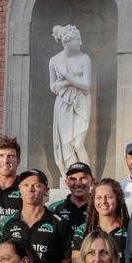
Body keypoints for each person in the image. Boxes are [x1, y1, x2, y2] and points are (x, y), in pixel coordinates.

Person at [0, 169, 74, 263]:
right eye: (26, 185)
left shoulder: (59, 224)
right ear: (19, 188)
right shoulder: (6, 224)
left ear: (46, 190)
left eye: (37, 185)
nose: (30, 189)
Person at [48, 24, 93, 181]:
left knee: (78, 143)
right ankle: (70, 179)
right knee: (66, 143)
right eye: (77, 40)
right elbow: (53, 87)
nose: (80, 43)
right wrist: (70, 82)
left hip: (81, 102)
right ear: (67, 42)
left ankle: (87, 178)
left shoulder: (84, 58)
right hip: (63, 102)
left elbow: (87, 85)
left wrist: (66, 76)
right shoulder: (54, 60)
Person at [70, 177, 130, 263]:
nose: (104, 201)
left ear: (118, 199)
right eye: (99, 197)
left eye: (109, 197)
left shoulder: (129, 229)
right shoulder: (83, 230)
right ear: (93, 201)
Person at [49, 162, 93, 233]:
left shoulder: (100, 207)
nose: (78, 183)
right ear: (66, 182)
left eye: (83, 178)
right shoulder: (54, 209)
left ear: (92, 181)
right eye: (73, 179)